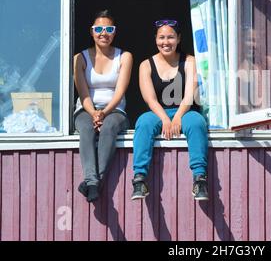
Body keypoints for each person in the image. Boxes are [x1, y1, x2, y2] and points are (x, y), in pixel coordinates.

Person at [131, 19, 209, 201]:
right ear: (155, 39)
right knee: (143, 123)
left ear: (179, 38)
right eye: (161, 37)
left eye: (171, 37)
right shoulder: (145, 65)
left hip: (185, 110)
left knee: (197, 122)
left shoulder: (190, 61)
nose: (166, 42)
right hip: (158, 112)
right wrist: (166, 119)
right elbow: (150, 99)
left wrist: (178, 118)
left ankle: (200, 178)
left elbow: (189, 96)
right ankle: (140, 178)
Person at [73, 10, 133, 202]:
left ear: (114, 32)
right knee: (85, 128)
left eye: (109, 29)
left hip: (115, 109)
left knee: (109, 127)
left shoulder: (124, 56)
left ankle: (92, 182)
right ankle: (94, 182)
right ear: (91, 32)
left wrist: (104, 113)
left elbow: (120, 92)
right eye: (98, 29)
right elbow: (83, 93)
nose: (103, 33)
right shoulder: (79, 58)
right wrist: (93, 114)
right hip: (86, 108)